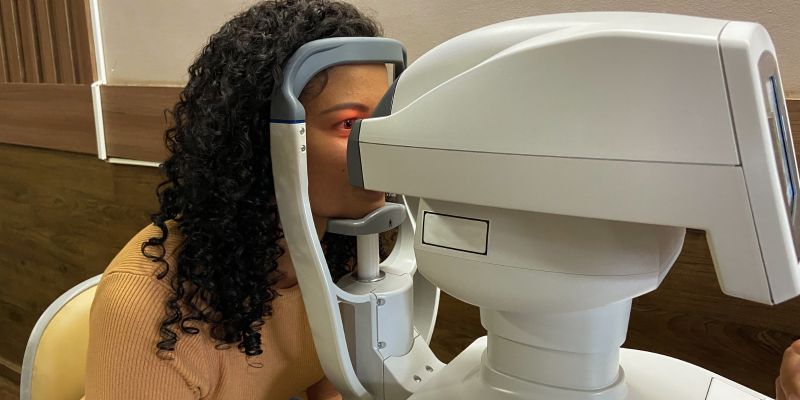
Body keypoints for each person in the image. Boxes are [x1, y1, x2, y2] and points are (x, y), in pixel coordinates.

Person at [83, 1, 394, 399]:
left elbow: (329, 387)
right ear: (264, 142)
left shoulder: (343, 253)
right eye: (349, 123)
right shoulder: (151, 309)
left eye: (385, 119)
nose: (381, 145)